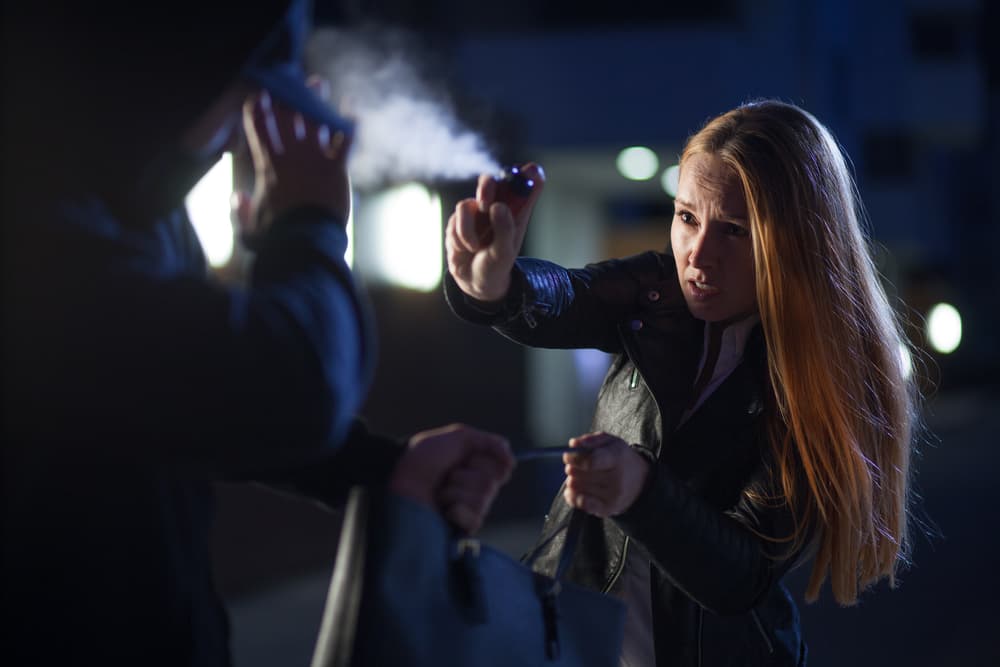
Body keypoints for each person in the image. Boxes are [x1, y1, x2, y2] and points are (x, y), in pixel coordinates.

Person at [2, 2, 512, 665]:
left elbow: (190, 387)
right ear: (166, 77)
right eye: (241, 93)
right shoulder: (33, 224)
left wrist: (379, 471)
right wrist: (309, 224)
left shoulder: (132, 215)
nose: (237, 133)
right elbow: (292, 385)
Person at [444, 100, 918, 666]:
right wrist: (495, 284)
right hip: (568, 639)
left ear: (796, 241)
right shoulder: (658, 290)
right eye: (687, 217)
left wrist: (640, 491)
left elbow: (741, 575)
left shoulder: (826, 378)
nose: (698, 256)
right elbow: (568, 296)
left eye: (736, 231)